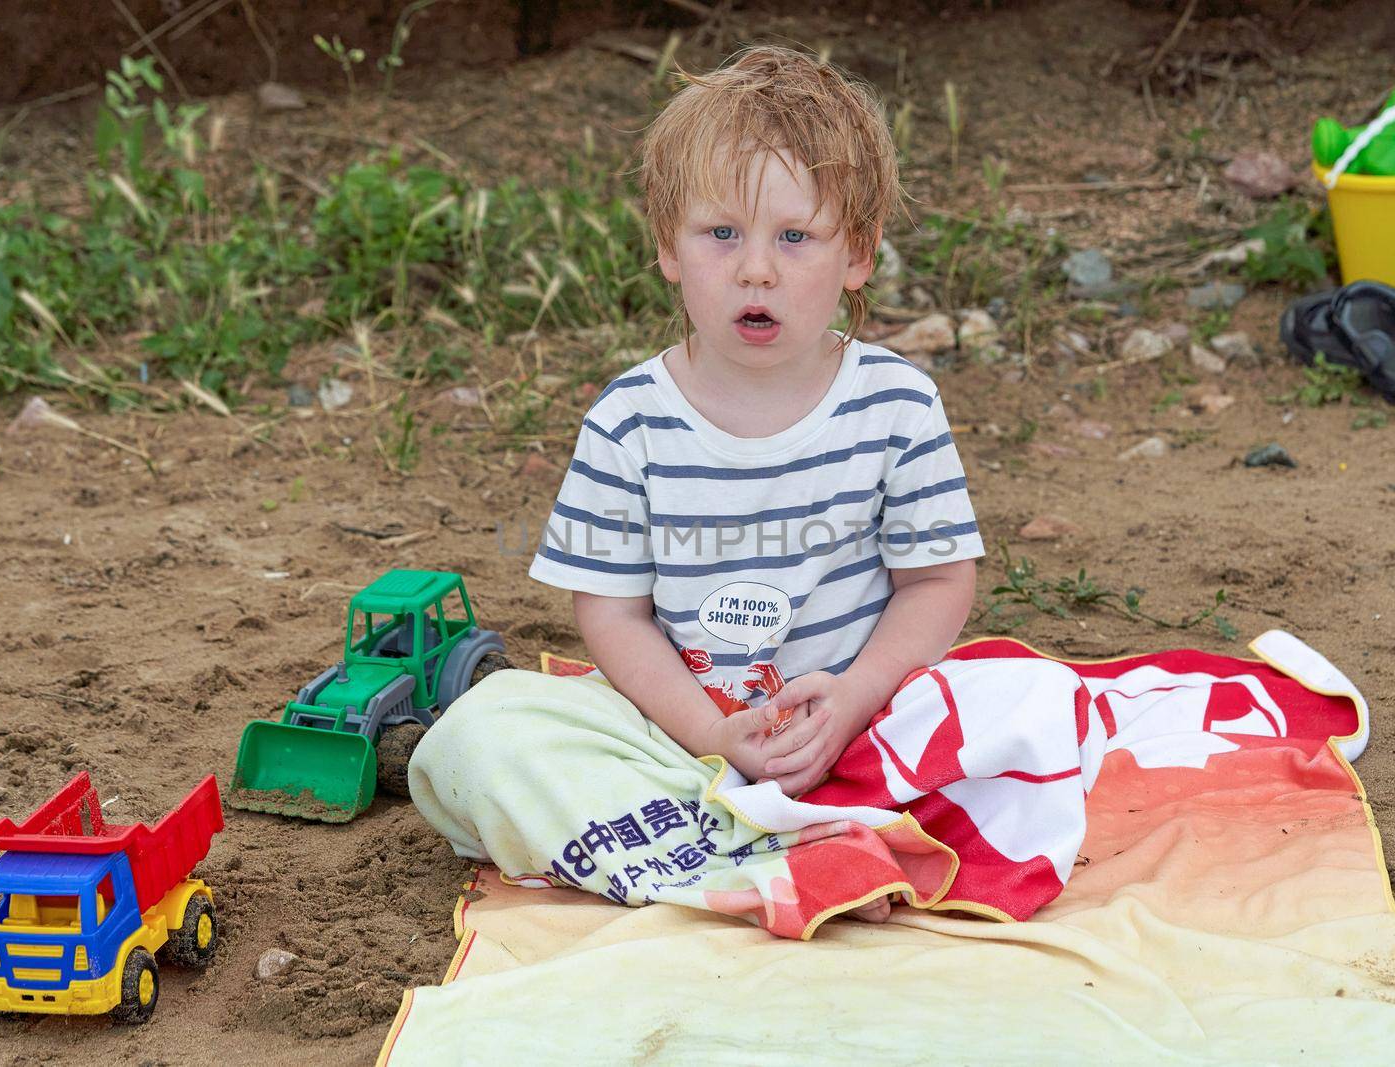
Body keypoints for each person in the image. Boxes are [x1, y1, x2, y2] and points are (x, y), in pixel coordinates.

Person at [410, 45, 984, 925]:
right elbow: (612, 613)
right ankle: (771, 857)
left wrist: (858, 694)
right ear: (670, 249)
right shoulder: (630, 419)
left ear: (858, 256)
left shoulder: (895, 404)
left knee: (1026, 703)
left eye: (795, 236)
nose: (756, 268)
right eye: (722, 234)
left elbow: (940, 583)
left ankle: (775, 841)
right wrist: (713, 735)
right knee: (478, 734)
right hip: (685, 743)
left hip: (866, 727)